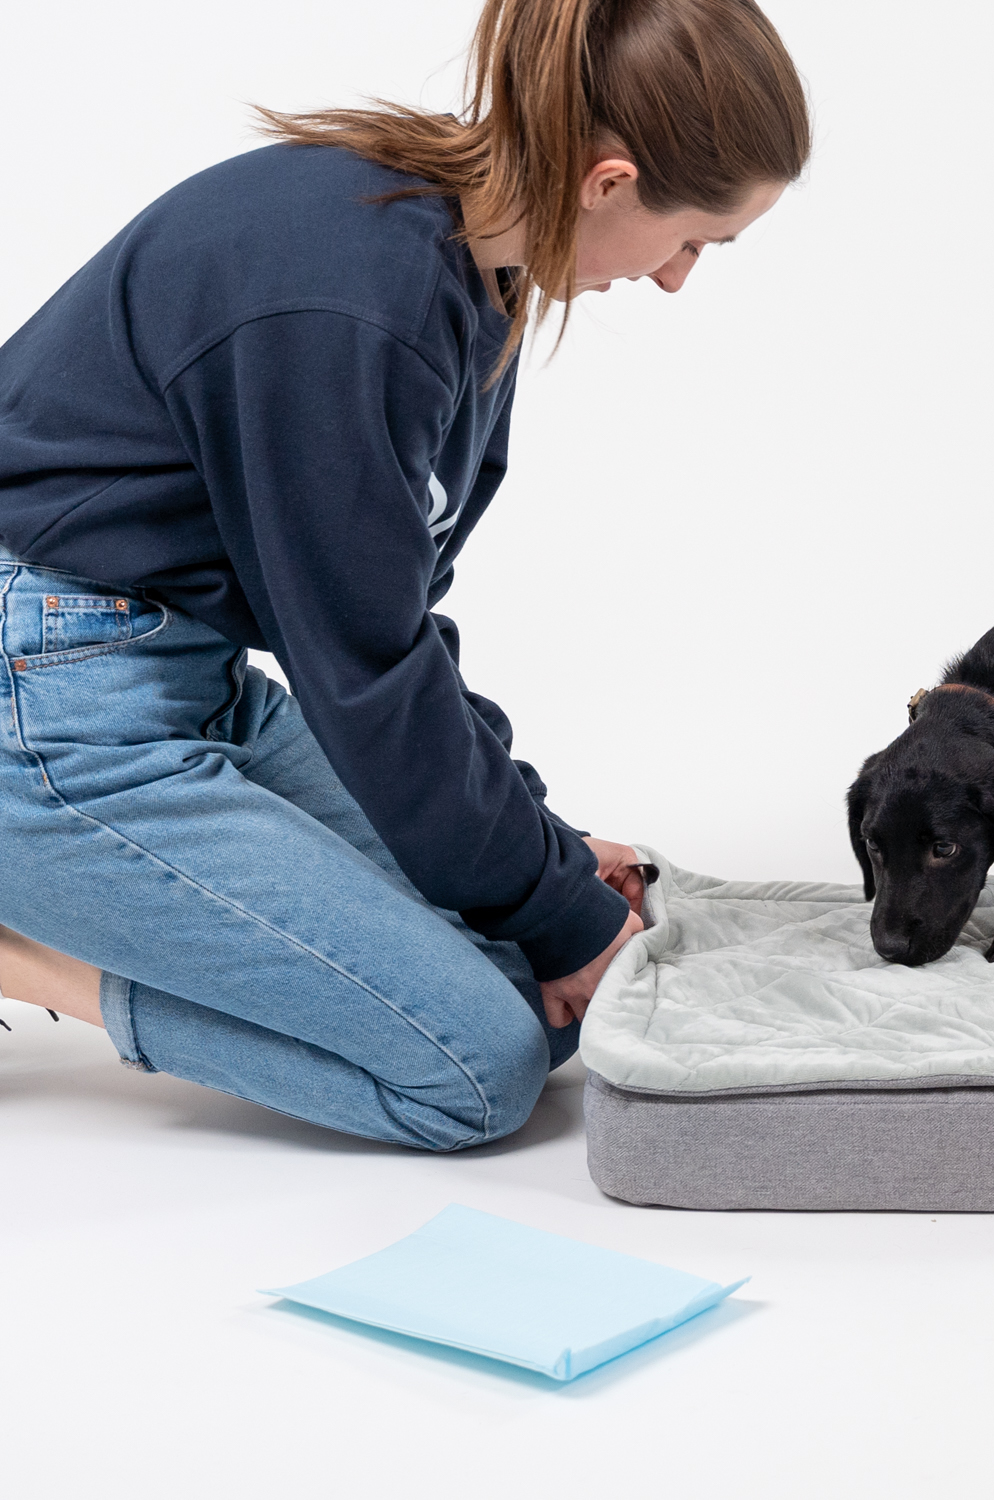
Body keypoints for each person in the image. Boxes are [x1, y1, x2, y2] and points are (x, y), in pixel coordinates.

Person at [0, 0, 808, 1148]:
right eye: (695, 240)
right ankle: (29, 958)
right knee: (477, 1070)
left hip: (177, 675)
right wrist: (555, 900)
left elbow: (395, 624)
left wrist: (542, 854)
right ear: (611, 180)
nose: (679, 278)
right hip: (45, 698)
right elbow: (369, 672)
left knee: (551, 986)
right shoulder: (345, 293)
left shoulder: (476, 271)